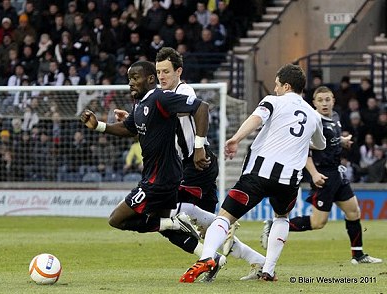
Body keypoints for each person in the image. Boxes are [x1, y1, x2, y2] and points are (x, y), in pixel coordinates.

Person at [115, 47, 266, 282]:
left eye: (166, 71)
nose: (162, 76)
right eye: (158, 71)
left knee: (173, 215)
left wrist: (198, 146)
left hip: (197, 164)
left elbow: (198, 108)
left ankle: (218, 233)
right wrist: (136, 119)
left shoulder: (183, 90)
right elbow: (158, 125)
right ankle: (255, 259)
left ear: (179, 71)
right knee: (192, 227)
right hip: (184, 166)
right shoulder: (159, 98)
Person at [180, 64, 326, 283]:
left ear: (286, 85)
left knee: (225, 218)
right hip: (288, 182)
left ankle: (208, 256)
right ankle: (268, 269)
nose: (275, 89)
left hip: (258, 175)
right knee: (282, 217)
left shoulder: (273, 101)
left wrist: (236, 138)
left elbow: (257, 118)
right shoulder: (313, 116)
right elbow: (320, 145)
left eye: (277, 85)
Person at [80, 61, 210, 264]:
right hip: (162, 176)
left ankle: (175, 224)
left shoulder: (160, 97)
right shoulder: (140, 104)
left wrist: (199, 147)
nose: (131, 83)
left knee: (117, 219)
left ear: (151, 79)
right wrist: (98, 126)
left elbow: (201, 107)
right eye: (129, 79)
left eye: (135, 78)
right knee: (162, 226)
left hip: (159, 179)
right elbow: (128, 128)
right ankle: (209, 257)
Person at [261, 86, 382, 264]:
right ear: (314, 103)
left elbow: (328, 139)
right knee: (318, 223)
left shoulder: (335, 117)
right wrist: (314, 173)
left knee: (354, 211)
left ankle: (358, 255)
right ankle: (275, 226)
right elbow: (304, 149)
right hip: (322, 174)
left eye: (327, 99)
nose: (324, 103)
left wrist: (342, 141)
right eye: (320, 100)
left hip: (337, 173)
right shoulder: (313, 120)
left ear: (333, 100)